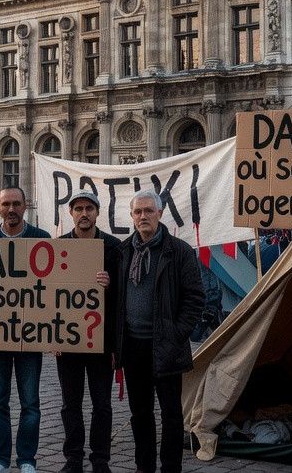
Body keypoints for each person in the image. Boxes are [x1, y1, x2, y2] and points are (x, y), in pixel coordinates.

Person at [113, 190, 205, 473]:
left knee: (171, 415)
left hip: (166, 345)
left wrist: (176, 334)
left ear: (160, 214)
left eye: (148, 211)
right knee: (140, 413)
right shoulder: (123, 250)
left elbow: (195, 298)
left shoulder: (178, 251)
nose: (143, 217)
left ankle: (170, 467)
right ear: (131, 216)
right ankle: (144, 466)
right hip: (133, 346)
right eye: (138, 212)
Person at [0, 186, 51, 473]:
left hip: (30, 338)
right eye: (6, 204)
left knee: (30, 403)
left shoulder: (42, 240)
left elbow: (55, 290)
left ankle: (28, 460)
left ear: (26, 206)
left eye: (16, 204)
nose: (11, 209)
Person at [54, 190, 119, 473]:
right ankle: (74, 457)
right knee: (71, 403)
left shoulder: (114, 246)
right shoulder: (58, 247)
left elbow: (122, 299)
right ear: (71, 213)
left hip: (101, 339)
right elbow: (49, 295)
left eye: (89, 208)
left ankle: (101, 459)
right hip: (67, 338)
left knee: (102, 404)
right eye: (78, 208)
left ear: (97, 213)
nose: (83, 213)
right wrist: (52, 334)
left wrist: (111, 282)